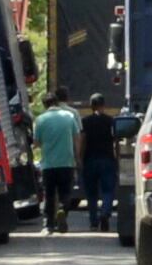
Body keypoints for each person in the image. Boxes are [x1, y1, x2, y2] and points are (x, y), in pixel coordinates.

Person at [32, 95, 79, 231]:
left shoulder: (40, 120)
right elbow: (77, 138)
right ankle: (62, 209)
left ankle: (49, 224)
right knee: (66, 192)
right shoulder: (69, 117)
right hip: (67, 162)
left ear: (44, 105)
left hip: (48, 164)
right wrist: (77, 157)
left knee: (50, 194)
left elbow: (36, 143)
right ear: (57, 103)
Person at [76, 96, 120, 231]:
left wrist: (80, 158)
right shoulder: (111, 121)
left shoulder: (85, 121)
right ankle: (105, 213)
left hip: (90, 160)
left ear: (91, 106)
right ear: (103, 105)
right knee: (108, 190)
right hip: (107, 159)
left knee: (91, 193)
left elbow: (82, 141)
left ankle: (94, 221)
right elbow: (116, 142)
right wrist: (117, 157)